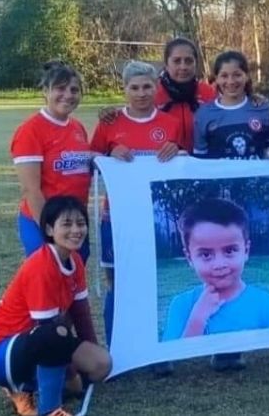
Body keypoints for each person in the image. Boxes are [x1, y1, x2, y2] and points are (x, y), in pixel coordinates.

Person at [0, 196, 111, 416]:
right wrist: (73, 374)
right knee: (54, 336)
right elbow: (50, 334)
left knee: (101, 364)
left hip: (38, 341)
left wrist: (89, 362)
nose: (76, 230)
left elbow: (82, 316)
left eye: (81, 223)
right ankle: (48, 408)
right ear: (49, 229)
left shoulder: (74, 260)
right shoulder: (41, 266)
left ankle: (29, 384)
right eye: (66, 224)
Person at [90, 60, 184, 347]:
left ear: (156, 88)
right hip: (115, 217)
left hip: (154, 219)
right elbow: (91, 161)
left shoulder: (171, 124)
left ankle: (155, 350)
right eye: (134, 87)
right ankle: (117, 348)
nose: (141, 93)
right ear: (125, 89)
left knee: (151, 281)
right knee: (116, 283)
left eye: (147, 86)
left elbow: (186, 166)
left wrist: (178, 151)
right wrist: (108, 152)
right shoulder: (110, 123)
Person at [161, 198, 269, 343]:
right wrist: (198, 318)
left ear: (246, 251)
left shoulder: (265, 304)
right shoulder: (182, 305)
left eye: (230, 251)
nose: (219, 264)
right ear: (189, 257)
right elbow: (172, 362)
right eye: (206, 255)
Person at [11, 61, 93, 260]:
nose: (68, 95)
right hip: (44, 223)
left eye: (74, 90)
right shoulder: (31, 130)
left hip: (74, 222)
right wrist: (50, 230)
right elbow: (31, 190)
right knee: (49, 278)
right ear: (46, 91)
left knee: (73, 281)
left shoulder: (77, 127)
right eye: (60, 88)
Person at [98, 38, 217, 153]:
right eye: (176, 61)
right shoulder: (152, 91)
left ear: (196, 63)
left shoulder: (209, 93)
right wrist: (108, 113)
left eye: (189, 61)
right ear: (166, 63)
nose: (183, 67)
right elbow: (133, 116)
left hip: (203, 162)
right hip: (167, 165)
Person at [192, 50, 269, 159]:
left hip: (257, 176)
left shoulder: (263, 109)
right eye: (224, 76)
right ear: (217, 79)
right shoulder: (203, 114)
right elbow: (200, 159)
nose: (231, 81)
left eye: (237, 75)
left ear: (246, 76)